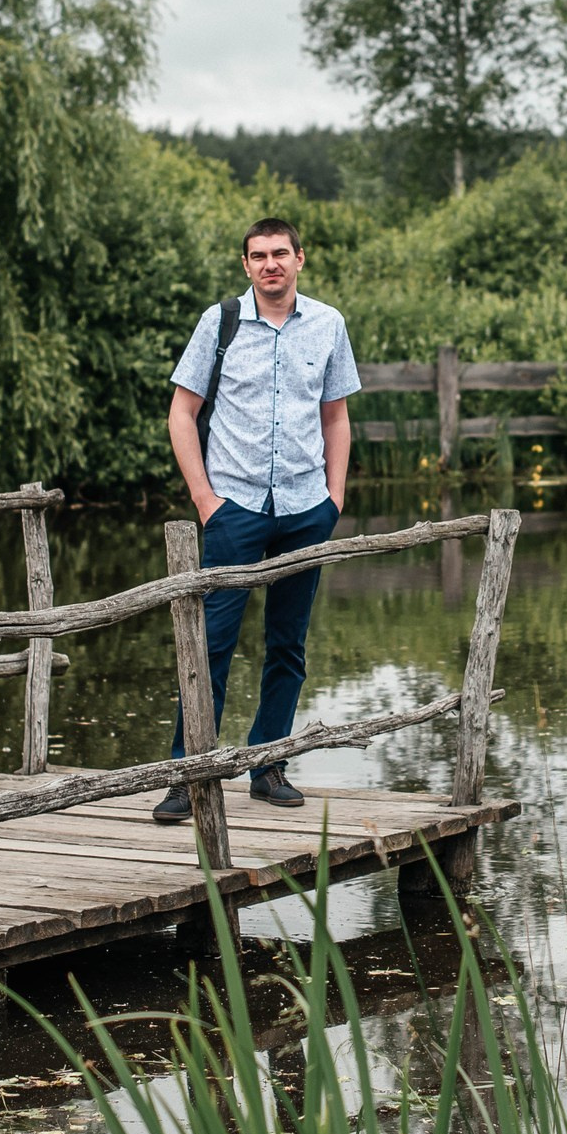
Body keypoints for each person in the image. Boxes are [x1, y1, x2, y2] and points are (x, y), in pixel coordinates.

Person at [152, 216, 360, 822]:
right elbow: (182, 413)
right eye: (259, 255)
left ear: (300, 258)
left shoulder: (328, 324)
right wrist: (204, 500)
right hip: (234, 509)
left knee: (287, 645)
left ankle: (268, 767)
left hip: (305, 510)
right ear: (246, 264)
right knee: (210, 645)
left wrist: (333, 499)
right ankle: (187, 775)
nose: (271, 264)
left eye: (280, 253)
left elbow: (336, 417)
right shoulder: (219, 323)